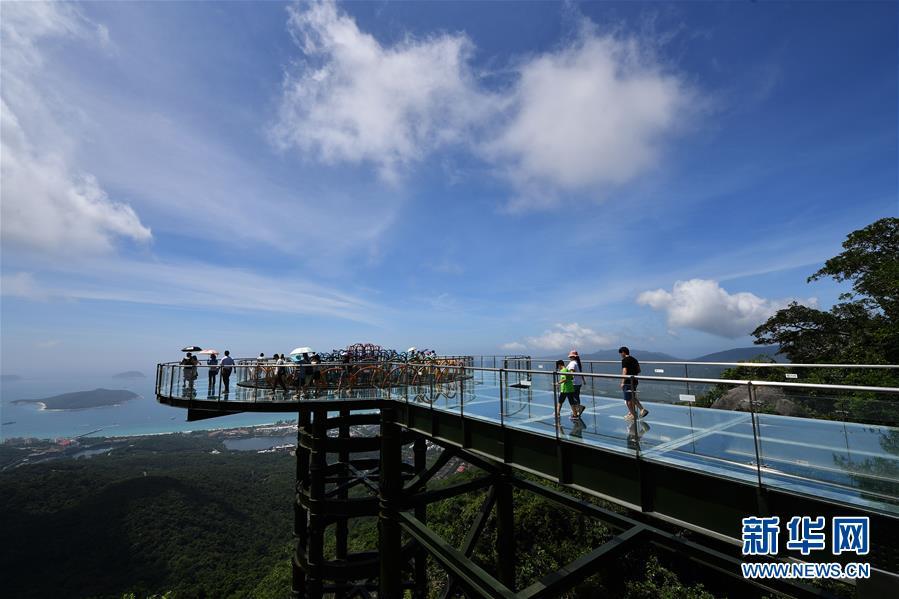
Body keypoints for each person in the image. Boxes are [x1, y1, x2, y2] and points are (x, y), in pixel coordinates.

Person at [619, 346, 648, 421]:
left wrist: (622, 382)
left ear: (623, 352)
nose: (620, 355)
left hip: (628, 382)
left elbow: (625, 371)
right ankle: (641, 410)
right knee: (632, 397)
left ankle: (633, 415)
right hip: (635, 381)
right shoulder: (634, 359)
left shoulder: (624, 360)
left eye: (621, 353)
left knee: (628, 400)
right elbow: (639, 370)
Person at [567, 350, 586, 418]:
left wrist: (569, 379)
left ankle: (577, 410)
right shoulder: (577, 363)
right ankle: (577, 411)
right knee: (576, 397)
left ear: (572, 357)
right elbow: (580, 372)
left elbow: (571, 372)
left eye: (570, 357)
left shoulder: (572, 363)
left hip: (573, 383)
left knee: (572, 398)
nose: (569, 358)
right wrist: (583, 380)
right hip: (578, 382)